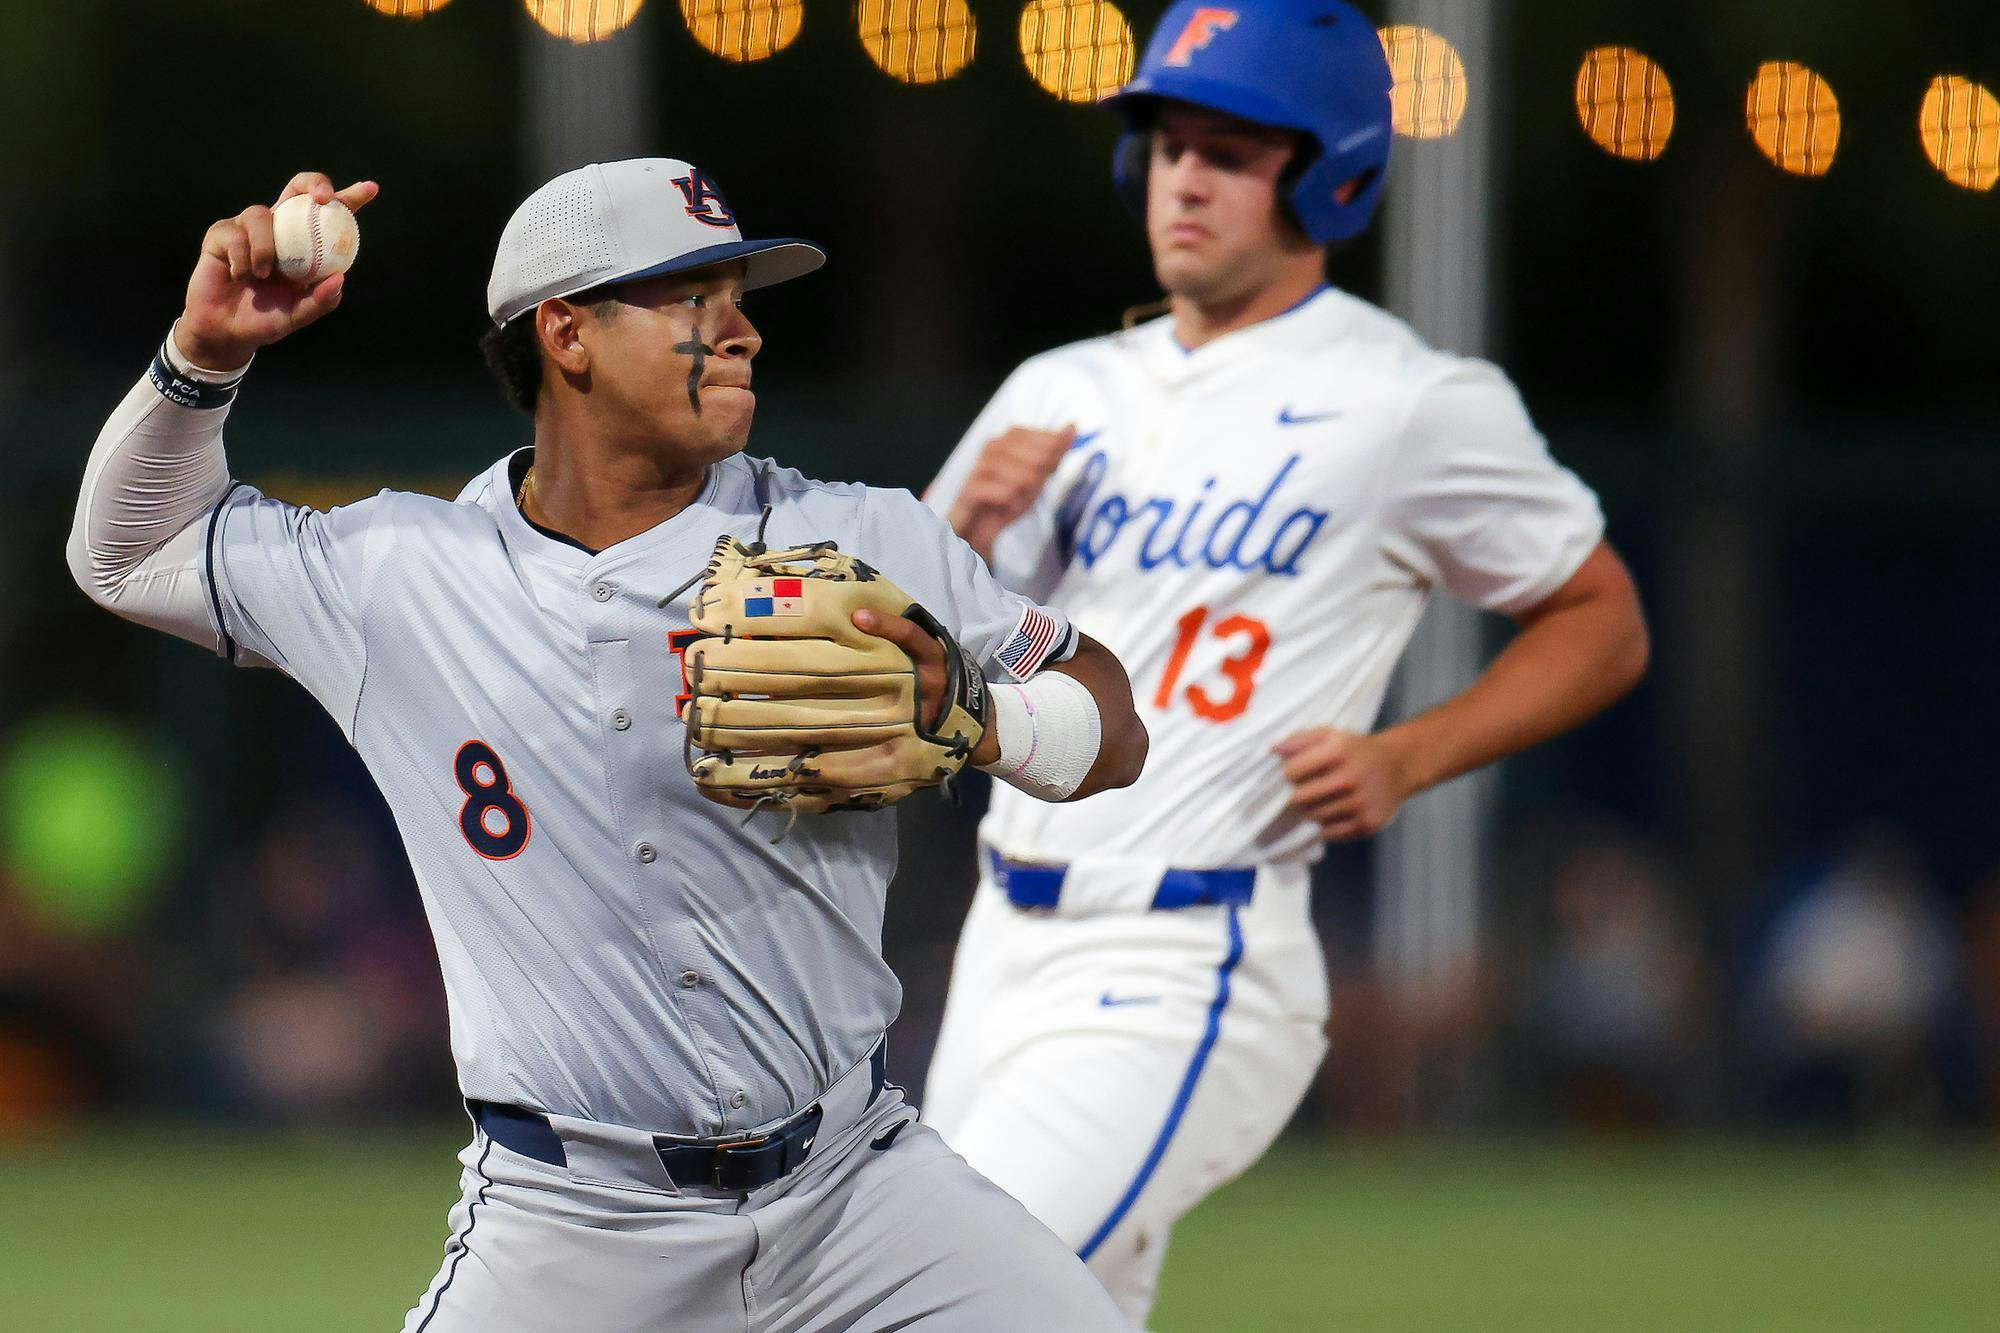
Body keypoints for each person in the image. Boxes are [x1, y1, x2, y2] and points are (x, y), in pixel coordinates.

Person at [68, 158, 1147, 1332]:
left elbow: (1113, 720)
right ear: (567, 334)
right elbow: (126, 553)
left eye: (739, 298)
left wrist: (986, 722)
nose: (739, 333)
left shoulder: (855, 535)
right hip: (571, 1227)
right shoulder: (402, 575)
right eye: (692, 302)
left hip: (861, 1197)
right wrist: (205, 355)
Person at [921, 2, 1650, 1322]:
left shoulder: (1409, 401)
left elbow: (1602, 616)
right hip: (1000, 937)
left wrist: (1409, 755)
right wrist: (962, 536)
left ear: (1331, 172)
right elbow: (920, 663)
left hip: (1187, 953)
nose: (1184, 176)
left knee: (930, 1292)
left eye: (1233, 148)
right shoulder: (1058, 388)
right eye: (1164, 139)